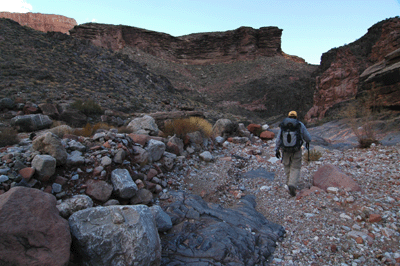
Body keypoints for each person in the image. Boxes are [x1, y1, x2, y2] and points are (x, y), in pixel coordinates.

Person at [275, 111, 311, 197]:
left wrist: (276, 149)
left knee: (286, 165)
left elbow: (278, 138)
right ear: (296, 117)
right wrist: (307, 142)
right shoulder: (299, 124)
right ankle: (292, 184)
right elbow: (308, 138)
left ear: (288, 116)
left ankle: (288, 183)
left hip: (285, 150)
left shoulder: (283, 124)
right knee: (295, 167)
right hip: (296, 149)